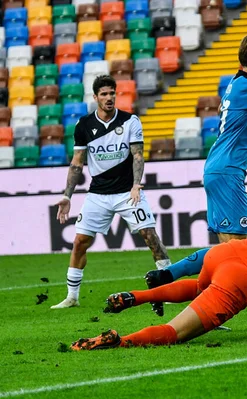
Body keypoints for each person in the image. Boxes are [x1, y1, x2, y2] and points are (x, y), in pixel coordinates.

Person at [142, 30, 247, 316]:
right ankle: (183, 293)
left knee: (227, 254)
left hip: (219, 169)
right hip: (227, 172)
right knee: (238, 255)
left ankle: (166, 278)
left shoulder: (239, 83)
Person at [70, 215, 247, 350]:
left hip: (223, 254)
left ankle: (135, 296)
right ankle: (119, 343)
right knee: (176, 333)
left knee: (199, 289)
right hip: (239, 280)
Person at [51, 75, 171, 309]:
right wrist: (67, 196)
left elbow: (137, 154)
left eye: (112, 93)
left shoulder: (130, 121)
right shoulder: (83, 125)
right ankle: (72, 297)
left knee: (150, 236)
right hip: (98, 194)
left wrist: (137, 184)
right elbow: (77, 163)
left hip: (128, 192)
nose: (109, 98)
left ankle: (168, 288)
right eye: (104, 94)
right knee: (79, 242)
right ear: (95, 97)